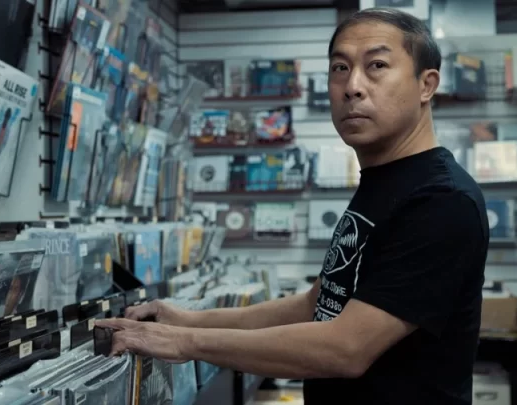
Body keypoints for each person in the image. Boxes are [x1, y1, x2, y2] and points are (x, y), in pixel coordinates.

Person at [97, 7, 489, 405]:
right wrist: (186, 317)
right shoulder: (385, 182)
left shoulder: (441, 199)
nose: (352, 85)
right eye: (340, 68)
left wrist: (185, 342)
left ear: (427, 84)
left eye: (377, 65)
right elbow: (315, 305)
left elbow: (347, 348)